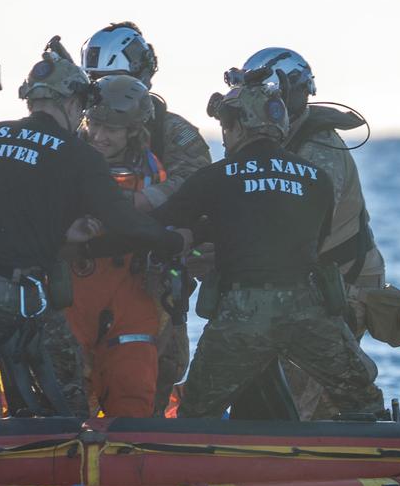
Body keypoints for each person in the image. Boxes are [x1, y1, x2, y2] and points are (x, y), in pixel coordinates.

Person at [0, 40, 187, 421]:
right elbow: (122, 220)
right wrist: (173, 240)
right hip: (13, 295)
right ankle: (56, 460)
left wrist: (62, 234)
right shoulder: (76, 154)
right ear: (70, 102)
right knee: (67, 405)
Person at [152, 70, 385, 420]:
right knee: (363, 401)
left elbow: (162, 225)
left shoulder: (215, 177)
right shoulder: (316, 178)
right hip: (310, 313)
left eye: (227, 127)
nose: (225, 136)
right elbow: (316, 240)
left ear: (239, 127)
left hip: (240, 317)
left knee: (197, 415)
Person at [239, 47, 400, 415]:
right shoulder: (276, 145)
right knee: (295, 388)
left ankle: (344, 447)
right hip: (304, 285)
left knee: (309, 386)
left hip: (340, 285)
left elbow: (302, 224)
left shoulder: (321, 152)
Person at [81, 21, 213, 411]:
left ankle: (147, 435)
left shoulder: (175, 133)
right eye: (95, 81)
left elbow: (197, 182)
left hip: (153, 270)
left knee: (160, 363)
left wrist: (145, 201)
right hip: (89, 268)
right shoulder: (83, 131)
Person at [64, 74, 179, 418]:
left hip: (132, 290)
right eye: (94, 125)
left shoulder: (151, 172)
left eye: (111, 130)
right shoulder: (66, 160)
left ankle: (130, 458)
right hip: (72, 287)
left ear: (132, 130)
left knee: (133, 385)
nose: (99, 137)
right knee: (64, 385)